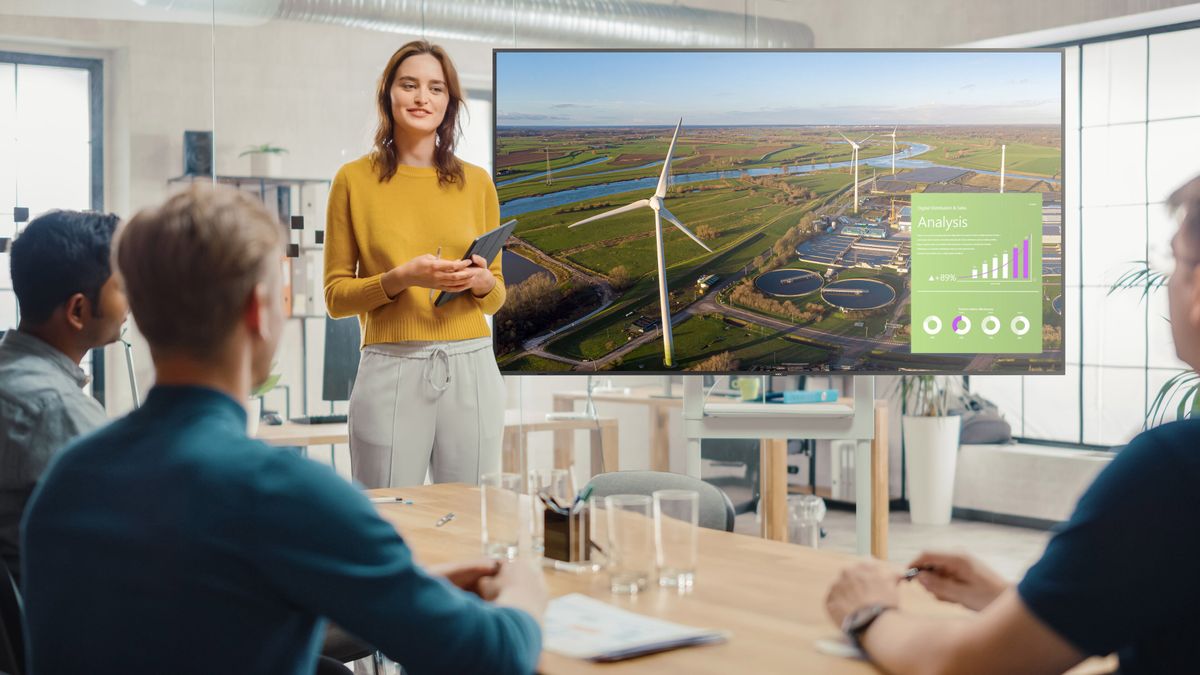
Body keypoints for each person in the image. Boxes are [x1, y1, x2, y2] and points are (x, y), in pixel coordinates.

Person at [22, 185, 545, 674]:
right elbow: (493, 656)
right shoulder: (287, 494)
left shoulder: (67, 480)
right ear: (260, 310)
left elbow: (197, 619)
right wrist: (524, 587)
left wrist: (408, 589)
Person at [825, 175, 1200, 675]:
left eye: (1175, 260)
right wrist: (1017, 601)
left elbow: (965, 667)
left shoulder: (1177, 469)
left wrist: (869, 612)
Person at [324, 40, 506, 489]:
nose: (423, 98)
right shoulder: (352, 181)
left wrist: (481, 281)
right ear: (389, 94)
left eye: (436, 88)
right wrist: (402, 277)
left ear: (450, 102)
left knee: (472, 518)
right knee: (387, 516)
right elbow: (335, 298)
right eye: (410, 85)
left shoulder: (478, 182)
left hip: (473, 366)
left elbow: (497, 296)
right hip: (390, 365)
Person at [0, 209, 127, 585]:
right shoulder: (55, 410)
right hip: (62, 629)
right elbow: (130, 535)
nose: (130, 304)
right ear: (78, 310)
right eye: (123, 288)